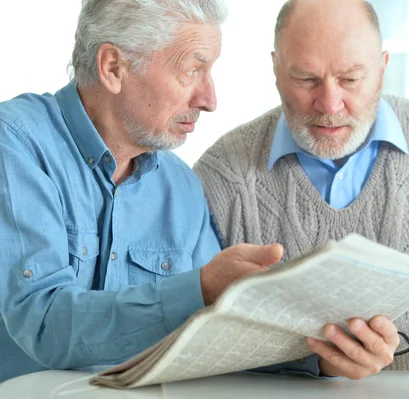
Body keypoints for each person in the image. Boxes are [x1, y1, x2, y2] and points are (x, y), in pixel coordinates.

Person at [195, 0, 409, 379]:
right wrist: (315, 362)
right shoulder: (221, 174)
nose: (329, 104)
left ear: (382, 68)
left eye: (350, 79)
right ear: (276, 69)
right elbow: (196, 334)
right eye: (306, 79)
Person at [0, 0, 286, 382]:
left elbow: (221, 333)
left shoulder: (181, 185)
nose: (209, 99)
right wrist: (198, 290)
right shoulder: (16, 143)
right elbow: (42, 322)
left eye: (210, 71)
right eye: (191, 70)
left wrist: (322, 353)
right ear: (113, 68)